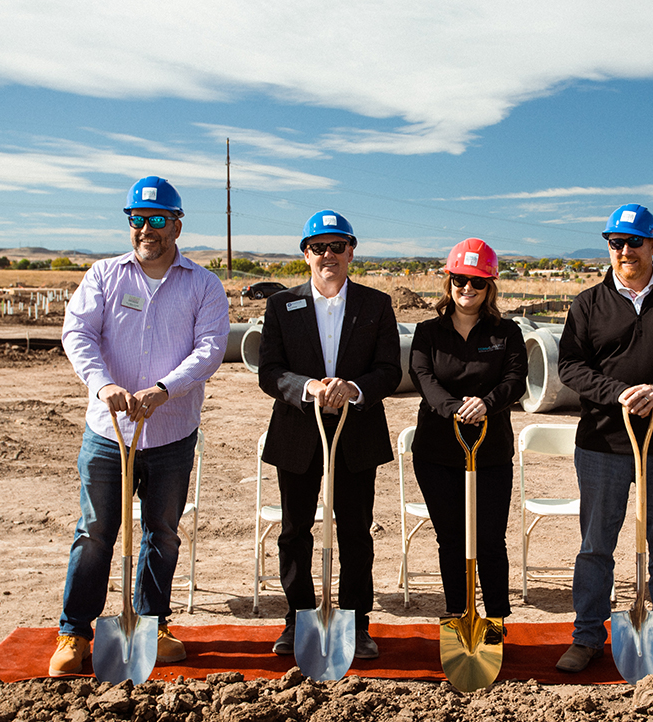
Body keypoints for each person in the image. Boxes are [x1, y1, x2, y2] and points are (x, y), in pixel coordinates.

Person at [50, 176, 230, 676]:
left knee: (162, 533)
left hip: (171, 432)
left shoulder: (203, 284)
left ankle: (150, 623)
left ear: (176, 224)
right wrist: (103, 384)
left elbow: (210, 347)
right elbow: (78, 333)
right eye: (137, 219)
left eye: (156, 219)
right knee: (95, 530)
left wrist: (164, 389)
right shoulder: (104, 276)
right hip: (108, 433)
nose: (146, 229)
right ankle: (73, 634)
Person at [555, 203, 653, 677]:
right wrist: (617, 393)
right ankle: (587, 637)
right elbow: (570, 365)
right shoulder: (587, 303)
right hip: (602, 444)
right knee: (594, 546)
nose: (624, 251)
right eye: (615, 243)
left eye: (633, 242)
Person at [257, 209, 401, 660]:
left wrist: (353, 388)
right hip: (298, 435)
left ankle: (355, 624)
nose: (328, 255)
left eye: (337, 246)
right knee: (294, 532)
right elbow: (270, 372)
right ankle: (298, 619)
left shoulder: (376, 305)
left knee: (356, 531)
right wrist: (308, 387)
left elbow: (389, 371)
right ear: (306, 254)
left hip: (356, 436)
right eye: (319, 247)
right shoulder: (282, 305)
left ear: (351, 251)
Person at [408, 239, 527, 621]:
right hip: (437, 453)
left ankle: (495, 621)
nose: (467, 289)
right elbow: (422, 377)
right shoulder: (428, 333)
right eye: (460, 279)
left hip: (490, 453)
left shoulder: (506, 333)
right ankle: (458, 616)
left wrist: (487, 404)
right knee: (452, 541)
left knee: (490, 541)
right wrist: (454, 408)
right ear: (449, 282)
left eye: (477, 282)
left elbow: (515, 380)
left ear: (489, 286)